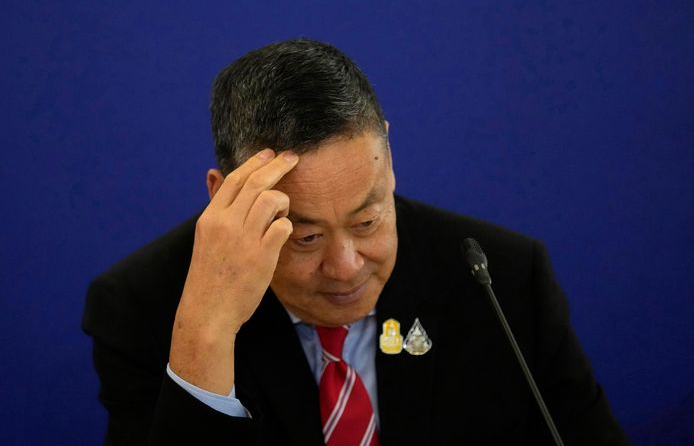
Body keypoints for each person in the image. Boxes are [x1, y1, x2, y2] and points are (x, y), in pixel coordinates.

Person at [83, 39, 628, 445]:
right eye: (306, 236)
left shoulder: (499, 277)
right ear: (225, 199)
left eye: (367, 222)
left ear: (388, 158)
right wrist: (208, 331)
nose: (345, 267)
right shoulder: (142, 306)